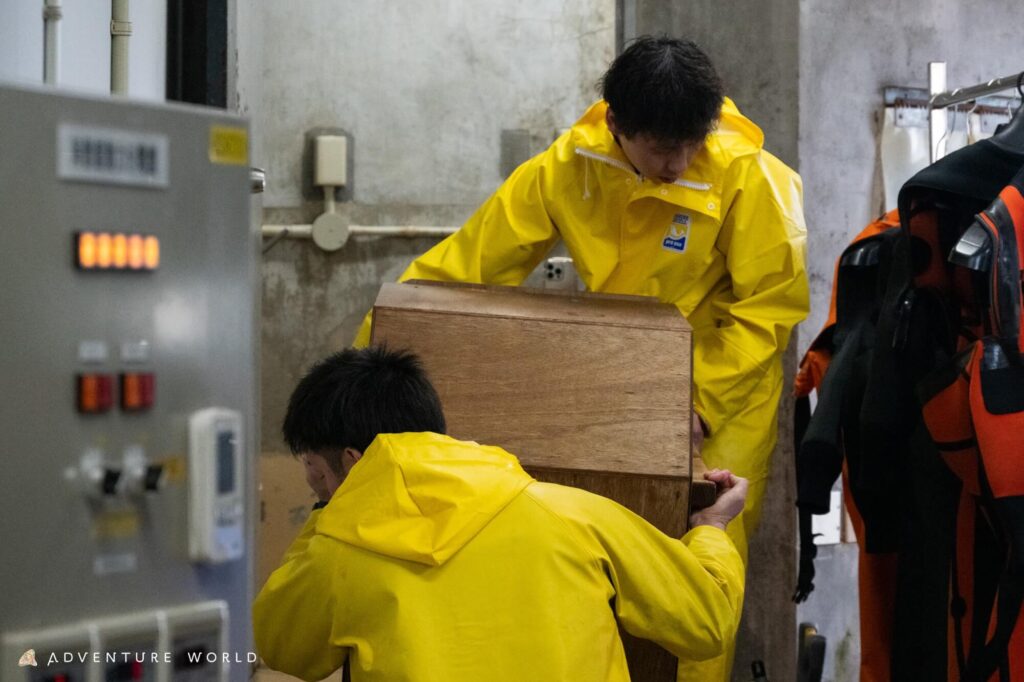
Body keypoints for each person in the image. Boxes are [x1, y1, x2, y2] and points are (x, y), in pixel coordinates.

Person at [353, 35, 809, 679]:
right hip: (619, 381)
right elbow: (465, 266)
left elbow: (769, 309)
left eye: (691, 144)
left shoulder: (751, 175)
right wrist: (369, 351)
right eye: (662, 148)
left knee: (696, 567)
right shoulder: (571, 167)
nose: (679, 163)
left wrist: (699, 404)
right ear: (617, 124)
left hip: (722, 393)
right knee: (599, 560)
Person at [253, 346, 749, 682]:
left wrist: (331, 511)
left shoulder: (338, 555)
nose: (318, 487)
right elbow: (707, 622)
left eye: (316, 473)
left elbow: (281, 648)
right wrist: (710, 528)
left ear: (351, 460)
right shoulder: (571, 514)